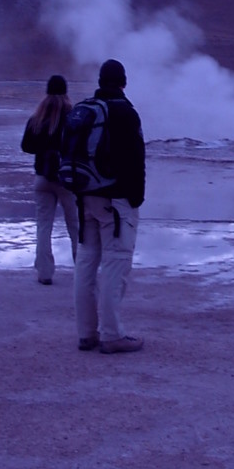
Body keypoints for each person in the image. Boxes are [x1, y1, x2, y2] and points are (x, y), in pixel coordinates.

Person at [74, 59, 145, 354]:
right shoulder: (125, 113)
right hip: (116, 203)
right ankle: (112, 335)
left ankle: (86, 334)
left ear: (101, 81)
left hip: (85, 198)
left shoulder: (85, 109)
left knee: (86, 263)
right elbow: (136, 159)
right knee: (116, 264)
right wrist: (136, 199)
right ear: (123, 82)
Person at [21, 75, 79, 285]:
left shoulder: (37, 118)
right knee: (75, 226)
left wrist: (44, 150)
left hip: (42, 179)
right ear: (65, 91)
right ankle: (82, 272)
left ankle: (44, 274)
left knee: (43, 227)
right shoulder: (73, 117)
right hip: (67, 180)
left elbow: (26, 146)